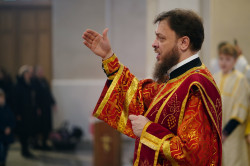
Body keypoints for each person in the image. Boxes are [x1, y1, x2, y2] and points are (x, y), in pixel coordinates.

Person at [83, 9, 222, 165]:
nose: (154, 44)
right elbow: (139, 96)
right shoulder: (177, 78)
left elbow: (193, 154)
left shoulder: (196, 86)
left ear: (183, 43)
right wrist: (108, 57)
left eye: (161, 38)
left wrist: (147, 130)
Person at [213, 44, 249, 166]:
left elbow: (241, 109)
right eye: (221, 58)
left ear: (235, 61)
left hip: (232, 135)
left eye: (228, 59)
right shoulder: (215, 78)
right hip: (216, 134)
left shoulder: (240, 79)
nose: (224, 62)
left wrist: (226, 132)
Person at [12, 65, 37, 158]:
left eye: (28, 73)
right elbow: (15, 101)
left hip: (29, 112)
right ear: (22, 74)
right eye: (26, 73)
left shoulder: (29, 84)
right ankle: (24, 150)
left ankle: (27, 149)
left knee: (28, 132)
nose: (28, 75)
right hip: (21, 113)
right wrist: (17, 113)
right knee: (23, 132)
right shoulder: (18, 85)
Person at [32, 66, 56, 150]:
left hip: (46, 108)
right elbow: (34, 97)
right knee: (38, 127)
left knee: (46, 126)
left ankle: (44, 143)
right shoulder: (34, 82)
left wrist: (53, 103)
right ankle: (36, 143)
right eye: (39, 71)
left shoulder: (44, 81)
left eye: (42, 71)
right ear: (36, 73)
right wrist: (37, 107)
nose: (41, 73)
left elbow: (48, 93)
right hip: (39, 109)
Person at [0, 89, 15, 166]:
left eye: (2, 98)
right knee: (1, 149)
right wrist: (3, 129)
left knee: (5, 149)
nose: (1, 99)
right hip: (1, 133)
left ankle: (3, 161)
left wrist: (10, 127)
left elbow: (12, 119)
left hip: (7, 134)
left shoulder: (7, 108)